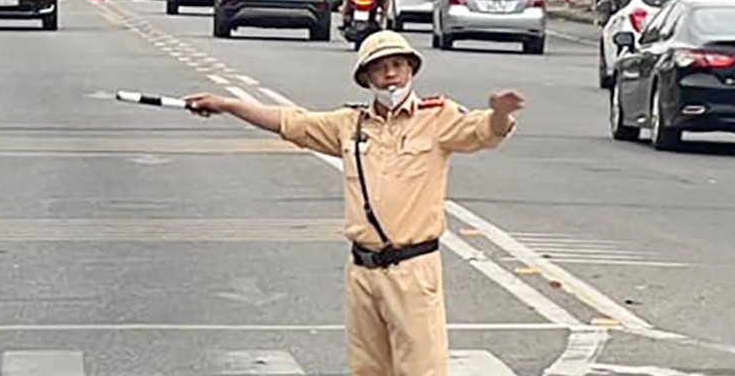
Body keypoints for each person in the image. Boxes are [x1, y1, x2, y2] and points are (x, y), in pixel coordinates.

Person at [184, 31, 524, 376]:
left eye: (397, 65)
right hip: (362, 270)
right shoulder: (350, 124)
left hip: (412, 269)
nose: (390, 74)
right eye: (380, 68)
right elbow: (292, 123)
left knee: (421, 369)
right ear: (366, 78)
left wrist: (500, 114)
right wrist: (229, 105)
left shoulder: (437, 117)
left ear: (411, 70)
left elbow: (483, 131)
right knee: (367, 367)